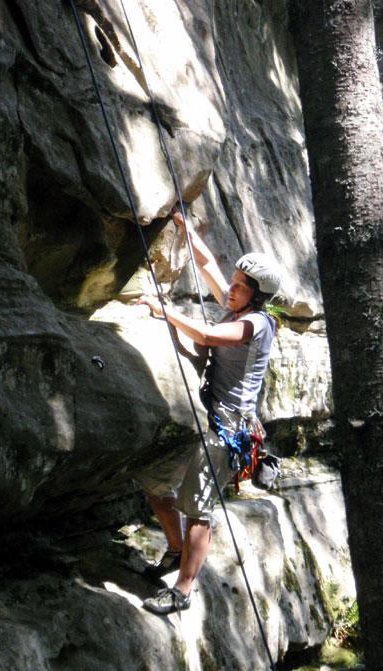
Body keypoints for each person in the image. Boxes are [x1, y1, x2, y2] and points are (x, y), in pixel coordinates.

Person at [134, 209, 281, 616]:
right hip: (207, 417)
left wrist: (164, 310)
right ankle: (175, 551)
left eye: (239, 287)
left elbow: (209, 335)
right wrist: (185, 227)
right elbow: (207, 265)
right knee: (153, 480)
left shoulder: (256, 324)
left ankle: (182, 591)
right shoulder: (237, 306)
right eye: (233, 285)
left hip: (229, 429)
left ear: (258, 295)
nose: (230, 290)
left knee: (199, 510)